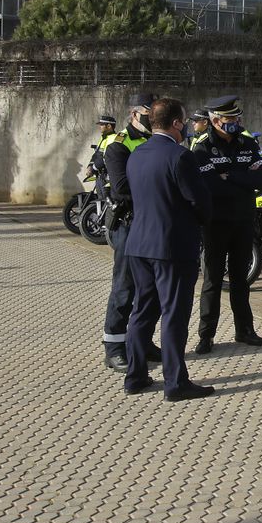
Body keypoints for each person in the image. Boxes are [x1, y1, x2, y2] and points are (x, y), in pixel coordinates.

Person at [123, 97, 214, 401]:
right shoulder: (180, 156)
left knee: (142, 311)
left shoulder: (137, 155)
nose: (186, 126)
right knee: (174, 315)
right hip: (172, 248)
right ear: (176, 123)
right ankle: (175, 383)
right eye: (184, 121)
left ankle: (135, 377)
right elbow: (199, 202)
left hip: (139, 244)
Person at [191, 95, 262, 353]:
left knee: (240, 280)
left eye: (237, 117)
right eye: (229, 119)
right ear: (215, 121)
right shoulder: (201, 147)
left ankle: (244, 330)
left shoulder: (247, 142)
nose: (235, 122)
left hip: (244, 220)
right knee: (212, 279)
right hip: (216, 223)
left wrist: (228, 176)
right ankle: (206, 335)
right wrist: (241, 177)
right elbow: (209, 185)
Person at [99, 95, 154, 372]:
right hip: (128, 223)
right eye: (146, 112)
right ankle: (114, 347)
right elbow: (121, 187)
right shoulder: (119, 144)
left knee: (149, 288)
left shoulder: (155, 140)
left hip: (151, 223)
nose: (150, 117)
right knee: (124, 287)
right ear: (134, 114)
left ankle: (141, 341)